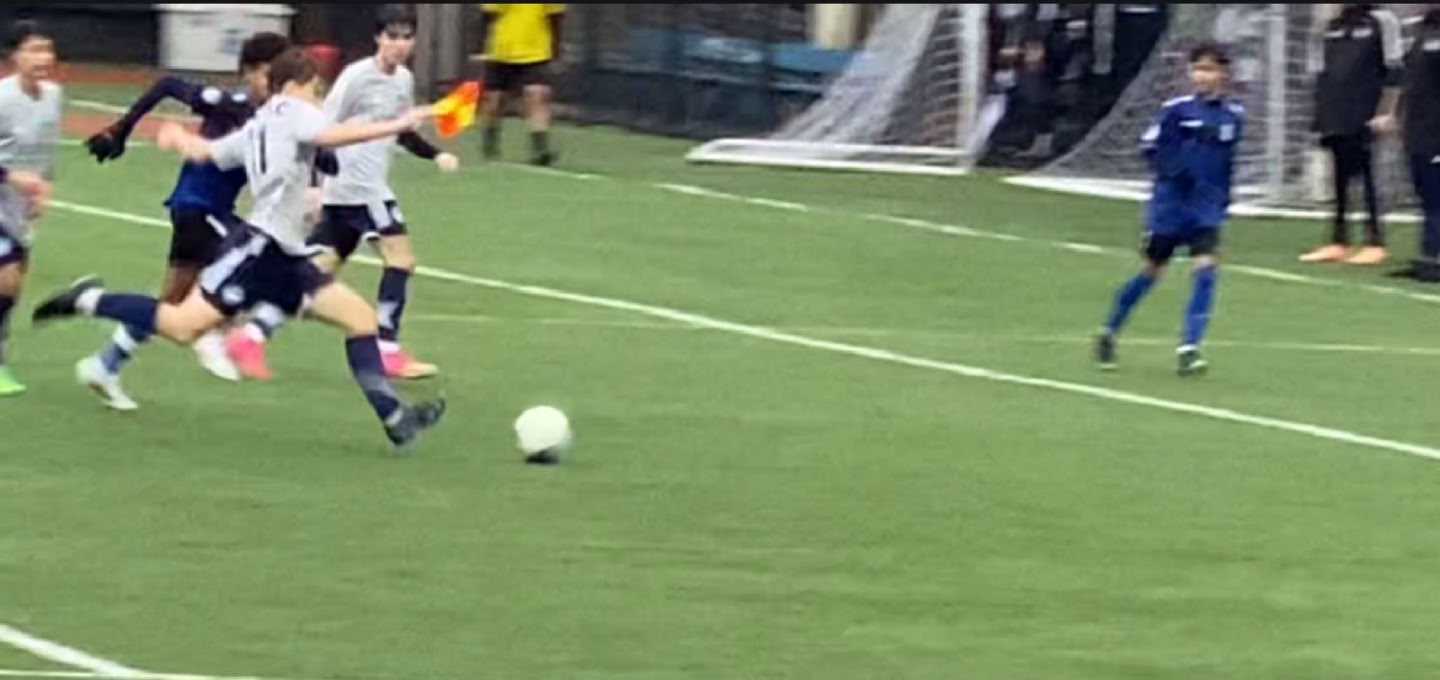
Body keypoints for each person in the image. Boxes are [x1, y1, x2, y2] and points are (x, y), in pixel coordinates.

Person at [31, 48, 447, 450]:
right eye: (315, 88)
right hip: (258, 250)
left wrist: (178, 138)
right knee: (181, 325)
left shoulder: (261, 121)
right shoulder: (293, 110)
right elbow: (330, 135)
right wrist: (397, 124)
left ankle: (396, 419)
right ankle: (88, 300)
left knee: (359, 318)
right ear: (298, 84)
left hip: (287, 256)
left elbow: (211, 152)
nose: (317, 97)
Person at [226, 5, 457, 382]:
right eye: (392, 36)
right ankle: (388, 351)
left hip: (357, 189)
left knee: (313, 275)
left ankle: (251, 335)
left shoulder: (403, 80)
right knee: (401, 260)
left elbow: (399, 129)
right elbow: (320, 129)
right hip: (358, 187)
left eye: (407, 37)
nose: (400, 44)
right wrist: (315, 186)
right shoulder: (356, 77)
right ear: (377, 38)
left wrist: (435, 154)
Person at [76, 31, 292, 410]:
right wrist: (121, 129)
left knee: (172, 304)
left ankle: (104, 360)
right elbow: (167, 84)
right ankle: (213, 334)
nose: (279, 83)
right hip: (199, 208)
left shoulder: (277, 116)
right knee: (257, 263)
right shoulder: (232, 105)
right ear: (250, 72)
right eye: (271, 73)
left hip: (204, 211)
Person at [1095, 42, 1243, 377]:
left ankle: (1189, 348)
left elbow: (1227, 162)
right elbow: (1150, 148)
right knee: (1151, 273)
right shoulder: (1176, 110)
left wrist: (1223, 199)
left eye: (1209, 69)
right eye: (1198, 69)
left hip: (1205, 209)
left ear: (1223, 73)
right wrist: (1176, 171)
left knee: (1206, 272)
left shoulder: (1234, 116)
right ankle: (1109, 330)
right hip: (1171, 207)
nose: (1202, 76)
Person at [1299, 4, 1403, 266]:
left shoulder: (1382, 20)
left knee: (1370, 177)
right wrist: (1321, 114)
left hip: (1367, 113)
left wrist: (1386, 111)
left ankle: (1375, 241)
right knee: (1339, 178)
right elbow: (1319, 72)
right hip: (1335, 114)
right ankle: (1338, 240)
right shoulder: (1330, 27)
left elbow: (1394, 68)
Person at [0, 20, 59, 398]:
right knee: (7, 279)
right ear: (13, 56)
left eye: (47, 49)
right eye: (34, 49)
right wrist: (11, 177)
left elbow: (46, 146)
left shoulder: (53, 95)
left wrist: (42, 187)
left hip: (18, 208)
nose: (44, 57)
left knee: (12, 288)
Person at [478, 3, 566, 165]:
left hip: (536, 52)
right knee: (494, 102)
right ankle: (490, 143)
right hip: (502, 51)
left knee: (537, 96)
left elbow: (556, 17)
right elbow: (488, 15)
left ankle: (540, 150)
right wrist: (481, 47)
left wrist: (556, 51)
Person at [1392, 7, 1440, 281]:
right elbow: (1408, 85)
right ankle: (1428, 255)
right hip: (1418, 133)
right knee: (1426, 197)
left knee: (1435, 198)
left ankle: (1433, 257)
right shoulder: (1421, 37)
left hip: (1434, 134)